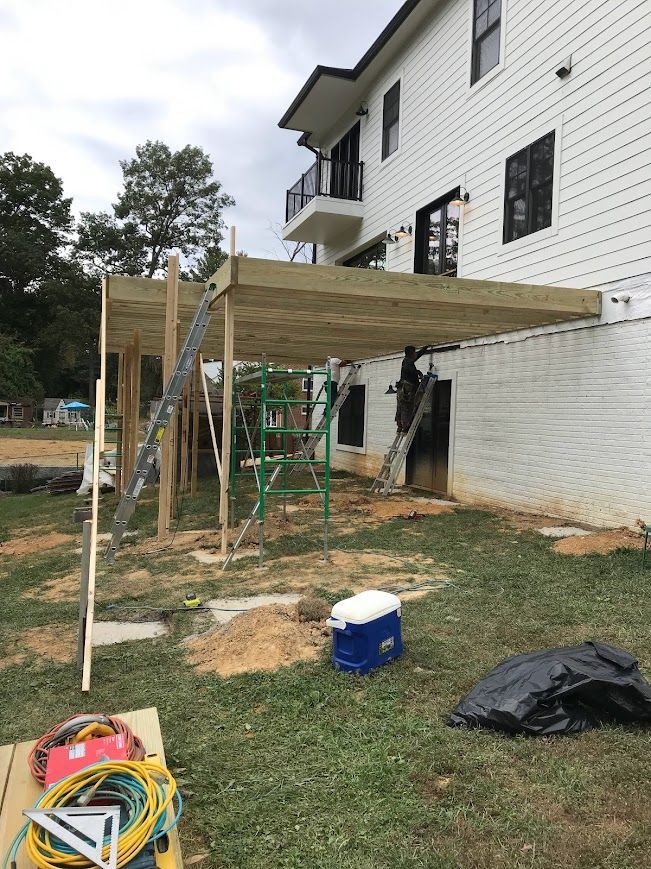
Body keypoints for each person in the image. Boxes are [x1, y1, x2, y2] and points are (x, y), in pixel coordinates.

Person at [395, 345, 431, 433]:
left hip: (402, 389)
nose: (416, 354)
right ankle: (405, 427)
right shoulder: (408, 363)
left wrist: (424, 349)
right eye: (414, 352)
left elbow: (417, 356)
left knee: (400, 407)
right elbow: (408, 369)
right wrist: (417, 372)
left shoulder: (407, 360)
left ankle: (400, 427)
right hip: (407, 390)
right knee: (407, 407)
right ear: (411, 354)